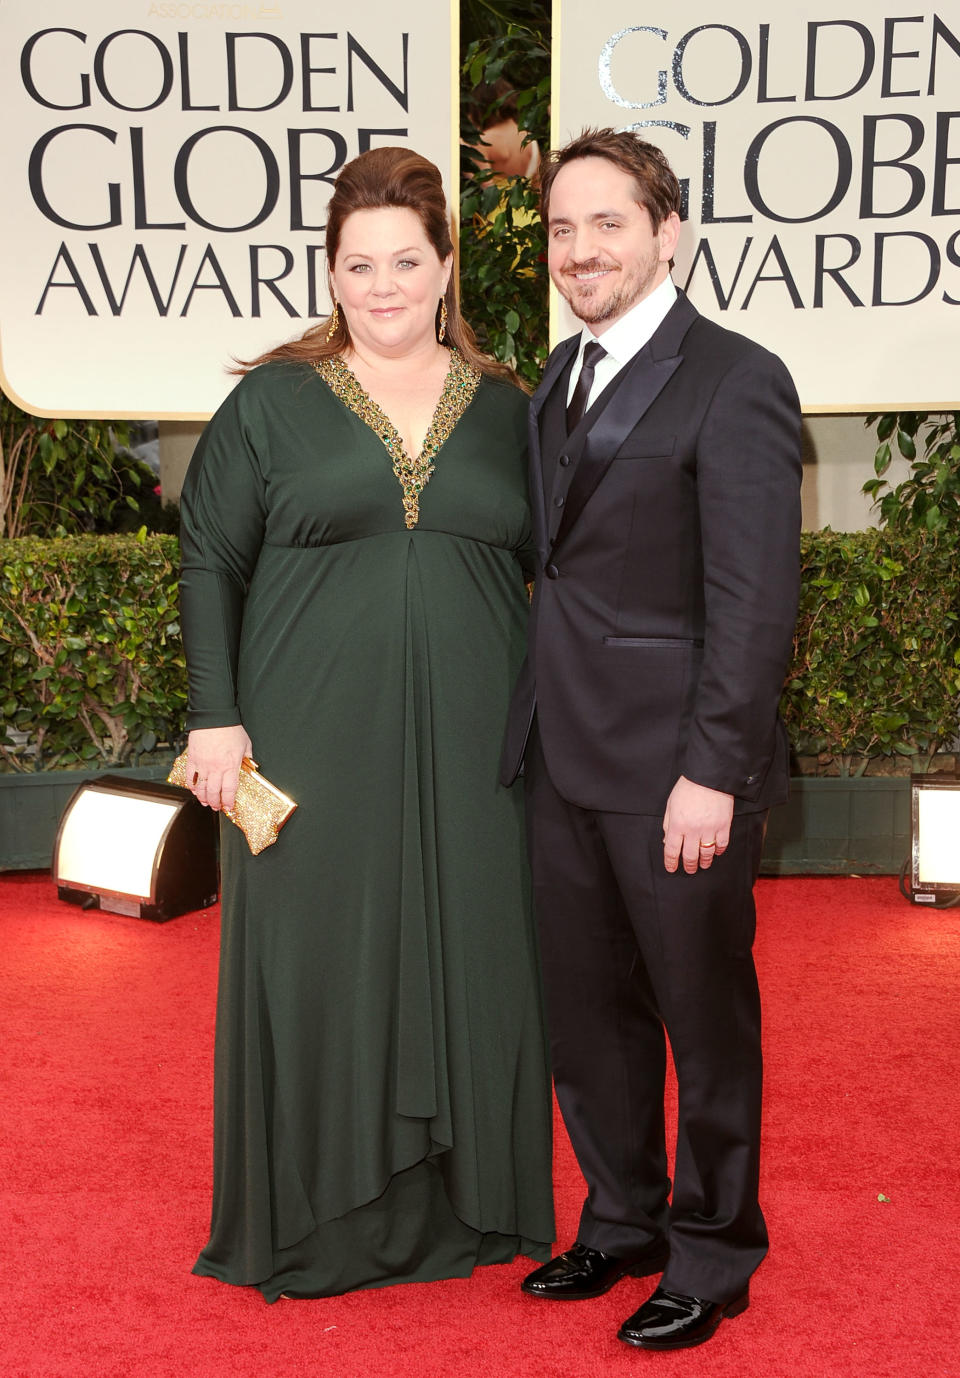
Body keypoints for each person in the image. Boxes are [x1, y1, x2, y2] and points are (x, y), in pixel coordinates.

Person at [179, 145, 555, 1302]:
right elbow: (209, 557)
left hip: (479, 744)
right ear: (331, 274)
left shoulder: (512, 412)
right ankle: (318, 1224)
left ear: (447, 267)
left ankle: (470, 1207)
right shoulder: (272, 402)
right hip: (307, 738)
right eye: (359, 263)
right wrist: (215, 719)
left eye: (406, 259)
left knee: (475, 950)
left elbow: (572, 572)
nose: (383, 284)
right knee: (318, 959)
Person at [501, 128, 802, 1350]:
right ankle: (619, 1217)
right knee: (590, 1012)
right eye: (564, 230)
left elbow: (755, 598)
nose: (581, 250)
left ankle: (714, 1249)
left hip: (677, 769)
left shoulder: (737, 376)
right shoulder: (555, 383)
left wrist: (712, 771)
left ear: (667, 231)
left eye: (607, 224)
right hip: (561, 754)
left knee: (701, 1013)